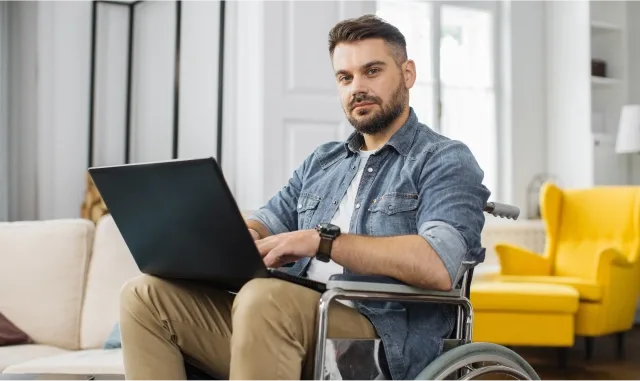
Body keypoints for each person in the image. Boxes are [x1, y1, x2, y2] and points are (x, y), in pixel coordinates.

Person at [119, 14, 490, 381]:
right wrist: (242, 237)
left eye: (372, 71)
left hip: (381, 336)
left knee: (263, 298)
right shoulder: (322, 161)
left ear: (407, 73)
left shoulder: (443, 158)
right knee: (145, 296)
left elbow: (439, 265)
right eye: (345, 77)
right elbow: (265, 221)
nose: (356, 87)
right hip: (281, 317)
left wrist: (320, 241)